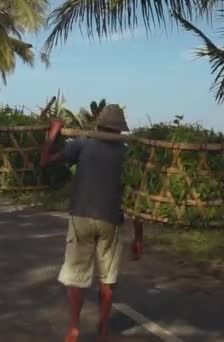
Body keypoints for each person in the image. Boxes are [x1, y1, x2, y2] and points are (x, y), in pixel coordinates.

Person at [39, 104, 144, 342]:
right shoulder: (127, 153)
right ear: (120, 130)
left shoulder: (82, 143)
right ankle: (103, 328)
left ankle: (74, 328)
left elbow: (45, 161)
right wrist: (138, 237)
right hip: (112, 222)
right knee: (107, 278)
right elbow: (137, 200)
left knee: (76, 275)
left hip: (81, 218)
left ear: (99, 124)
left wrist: (53, 134)